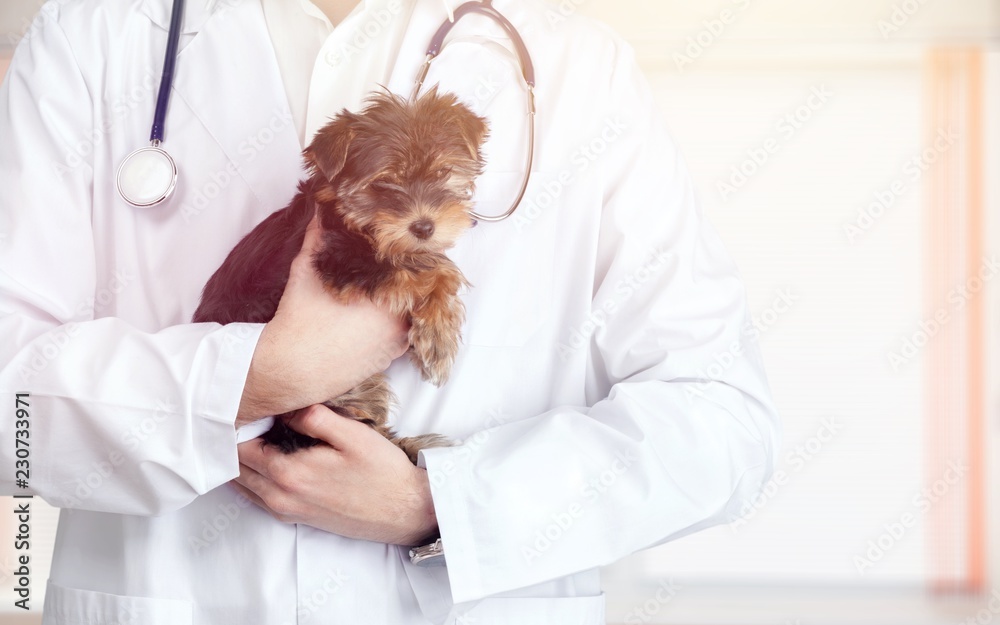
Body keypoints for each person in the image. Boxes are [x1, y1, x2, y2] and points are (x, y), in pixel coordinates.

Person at [0, 0, 782, 622]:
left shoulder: (580, 67)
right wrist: (255, 379)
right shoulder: (90, 36)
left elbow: (721, 420)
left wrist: (441, 506)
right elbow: (11, 409)